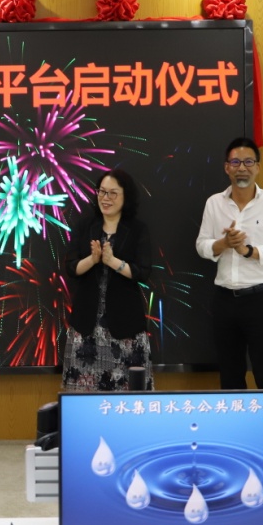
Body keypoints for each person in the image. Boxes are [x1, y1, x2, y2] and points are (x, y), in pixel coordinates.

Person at [195, 137, 263, 389]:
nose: (242, 167)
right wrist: (224, 244)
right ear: (226, 167)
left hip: (261, 300)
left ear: (258, 167)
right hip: (224, 300)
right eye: (236, 162)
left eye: (249, 162)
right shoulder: (214, 203)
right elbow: (202, 245)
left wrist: (248, 251)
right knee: (230, 375)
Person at [61, 168, 154, 391]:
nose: (105, 198)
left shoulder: (137, 229)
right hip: (87, 326)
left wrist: (113, 262)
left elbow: (142, 272)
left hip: (125, 326)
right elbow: (71, 267)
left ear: (125, 196)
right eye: (102, 192)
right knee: (83, 398)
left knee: (128, 396)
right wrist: (92, 260)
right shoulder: (85, 226)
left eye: (113, 193)